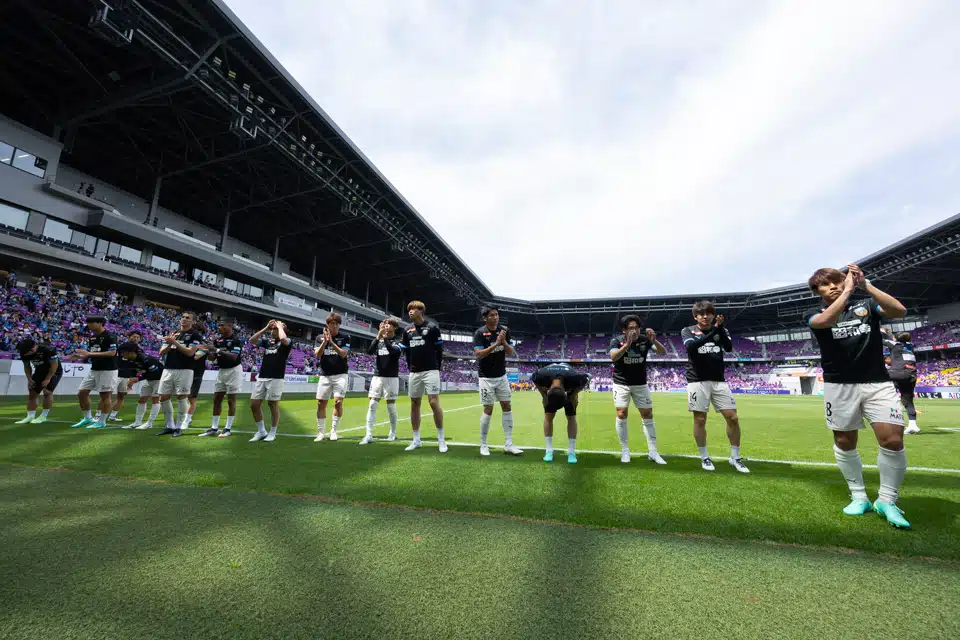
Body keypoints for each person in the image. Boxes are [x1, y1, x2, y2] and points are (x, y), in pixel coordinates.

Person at [806, 264, 910, 529]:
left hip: (877, 383)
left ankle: (887, 500)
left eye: (837, 281)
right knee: (844, 441)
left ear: (845, 281)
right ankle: (859, 496)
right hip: (839, 386)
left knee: (893, 440)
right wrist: (847, 291)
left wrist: (866, 286)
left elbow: (899, 311)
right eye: (825, 284)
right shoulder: (814, 314)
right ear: (817, 291)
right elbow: (825, 322)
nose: (833, 286)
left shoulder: (866, 306)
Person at [681, 302, 749, 473]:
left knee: (733, 418)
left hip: (719, 380)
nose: (705, 316)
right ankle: (704, 457)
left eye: (708, 313)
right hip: (697, 380)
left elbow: (728, 348)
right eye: (701, 314)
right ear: (695, 317)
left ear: (713, 315)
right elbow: (691, 348)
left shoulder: (722, 330)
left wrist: (720, 329)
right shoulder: (687, 331)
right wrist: (714, 331)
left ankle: (735, 457)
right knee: (700, 419)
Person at [609, 314, 667, 464]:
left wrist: (654, 340)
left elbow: (662, 352)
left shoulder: (645, 340)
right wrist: (627, 344)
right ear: (624, 330)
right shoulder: (616, 341)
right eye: (630, 328)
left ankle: (653, 452)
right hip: (621, 383)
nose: (634, 331)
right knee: (621, 414)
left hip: (640, 383)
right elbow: (613, 357)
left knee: (647, 414)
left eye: (636, 327)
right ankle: (625, 451)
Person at [473, 306, 522, 456]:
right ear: (485, 318)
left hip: (501, 376)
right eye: (492, 315)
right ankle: (483, 444)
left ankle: (508, 444)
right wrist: (495, 344)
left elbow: (511, 352)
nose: (495, 317)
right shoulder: (480, 333)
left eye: (497, 315)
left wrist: (504, 342)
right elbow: (479, 354)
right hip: (486, 378)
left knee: (507, 406)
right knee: (488, 409)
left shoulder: (504, 330)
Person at [398, 300, 445, 452]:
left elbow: (439, 350)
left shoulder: (432, 328)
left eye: (413, 309)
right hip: (414, 372)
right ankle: (416, 440)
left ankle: (441, 440)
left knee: (433, 402)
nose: (410, 312)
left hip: (431, 370)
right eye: (409, 309)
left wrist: (437, 368)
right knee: (414, 404)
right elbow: (405, 350)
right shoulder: (407, 330)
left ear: (421, 311)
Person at [156, 311, 204, 437]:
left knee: (181, 397)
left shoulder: (195, 335)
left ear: (193, 321)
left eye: (187, 318)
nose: (184, 319)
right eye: (182, 317)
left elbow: (190, 353)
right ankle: (170, 426)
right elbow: (161, 352)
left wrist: (174, 343)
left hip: (185, 369)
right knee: (163, 397)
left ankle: (178, 427)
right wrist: (169, 344)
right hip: (168, 369)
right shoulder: (174, 334)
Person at [531, 362, 589, 464]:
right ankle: (549, 451)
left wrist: (574, 395)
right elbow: (534, 378)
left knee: (571, 417)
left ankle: (571, 452)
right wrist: (543, 395)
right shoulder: (541, 376)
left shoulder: (574, 378)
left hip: (569, 388)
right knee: (548, 416)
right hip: (551, 389)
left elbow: (588, 377)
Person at [70, 316, 118, 429]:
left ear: (100, 323)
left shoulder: (110, 336)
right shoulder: (92, 337)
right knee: (82, 393)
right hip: (94, 369)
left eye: (91, 322)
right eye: (88, 323)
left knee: (105, 395)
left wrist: (89, 354)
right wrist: (81, 356)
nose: (89, 325)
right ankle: (87, 418)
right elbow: (92, 353)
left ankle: (102, 421)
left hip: (108, 370)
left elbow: (112, 353)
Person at [199, 318, 244, 438]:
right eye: (219, 325)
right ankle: (214, 428)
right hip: (222, 370)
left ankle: (227, 429)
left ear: (230, 326)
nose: (219, 328)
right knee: (217, 398)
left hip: (234, 370)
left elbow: (234, 357)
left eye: (222, 325)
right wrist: (207, 351)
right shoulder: (217, 340)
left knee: (231, 400)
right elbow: (212, 358)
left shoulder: (236, 340)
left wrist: (216, 350)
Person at [360, 317, 402, 445]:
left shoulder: (397, 342)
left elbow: (394, 352)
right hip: (377, 376)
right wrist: (378, 336)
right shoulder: (379, 340)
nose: (386, 326)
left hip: (391, 377)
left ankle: (393, 433)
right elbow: (369, 351)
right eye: (385, 324)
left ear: (394, 327)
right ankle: (368, 434)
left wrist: (384, 338)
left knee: (390, 406)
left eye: (389, 324)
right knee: (372, 404)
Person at [248, 320, 292, 443]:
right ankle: (261, 431)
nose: (273, 331)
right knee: (254, 404)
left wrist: (280, 326)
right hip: (262, 376)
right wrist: (266, 328)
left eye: (275, 329)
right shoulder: (268, 342)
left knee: (272, 404)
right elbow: (251, 340)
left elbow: (283, 339)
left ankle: (273, 432)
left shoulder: (288, 341)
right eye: (272, 329)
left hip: (276, 377)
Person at [313, 312, 350, 442]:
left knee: (338, 402)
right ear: (327, 324)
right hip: (325, 375)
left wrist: (332, 342)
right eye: (331, 323)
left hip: (341, 374)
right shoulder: (319, 338)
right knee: (321, 403)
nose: (334, 326)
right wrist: (325, 342)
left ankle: (333, 431)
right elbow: (317, 354)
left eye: (336, 323)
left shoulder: (345, 337)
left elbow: (343, 354)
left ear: (339, 325)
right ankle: (321, 432)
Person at [117, 343, 165, 429]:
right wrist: (131, 382)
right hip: (148, 380)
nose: (121, 354)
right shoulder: (130, 360)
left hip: (159, 380)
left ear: (131, 352)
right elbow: (133, 372)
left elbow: (155, 373)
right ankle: (137, 422)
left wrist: (139, 379)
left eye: (123, 352)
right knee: (142, 400)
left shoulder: (147, 359)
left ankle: (149, 423)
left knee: (155, 400)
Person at [15, 338, 62, 424]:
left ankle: (43, 416)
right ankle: (30, 416)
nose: (28, 353)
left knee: (47, 392)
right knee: (32, 392)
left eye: (30, 351)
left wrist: (48, 379)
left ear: (35, 346)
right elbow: (27, 367)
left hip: (54, 371)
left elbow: (54, 365)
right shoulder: (24, 352)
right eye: (26, 352)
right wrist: (29, 379)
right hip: (40, 371)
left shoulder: (48, 350)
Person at [883, 329, 919, 434]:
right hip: (911, 375)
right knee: (908, 401)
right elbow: (895, 339)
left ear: (896, 339)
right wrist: (889, 333)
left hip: (897, 373)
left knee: (877, 376)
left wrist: (883, 332)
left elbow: (881, 340)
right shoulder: (910, 346)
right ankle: (913, 426)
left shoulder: (895, 345)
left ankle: (892, 421)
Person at [180, 321, 209, 432]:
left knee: (191, 398)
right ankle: (186, 417)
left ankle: (186, 420)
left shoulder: (203, 344)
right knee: (183, 396)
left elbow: (196, 356)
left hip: (196, 373)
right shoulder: (188, 341)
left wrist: (182, 351)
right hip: (185, 371)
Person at [107, 330, 142, 422]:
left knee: (121, 396)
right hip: (116, 374)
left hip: (126, 376)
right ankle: (98, 416)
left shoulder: (137, 349)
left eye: (137, 337)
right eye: (134, 336)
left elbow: (135, 363)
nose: (135, 338)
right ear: (129, 337)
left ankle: (112, 416)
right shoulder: (124, 346)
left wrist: (133, 376)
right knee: (106, 395)